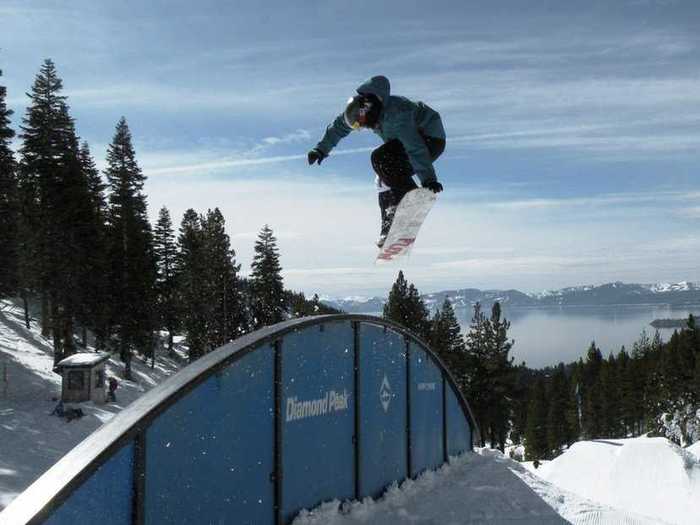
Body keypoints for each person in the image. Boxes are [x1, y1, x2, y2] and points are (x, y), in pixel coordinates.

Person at [308, 75, 446, 247]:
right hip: (404, 143)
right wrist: (321, 149)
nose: (362, 126)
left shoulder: (397, 115)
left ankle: (412, 200)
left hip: (429, 138)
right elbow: (338, 126)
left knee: (381, 159)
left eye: (362, 123)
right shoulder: (359, 109)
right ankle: (389, 227)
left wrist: (428, 179)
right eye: (357, 125)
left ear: (371, 111)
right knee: (382, 179)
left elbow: (415, 147)